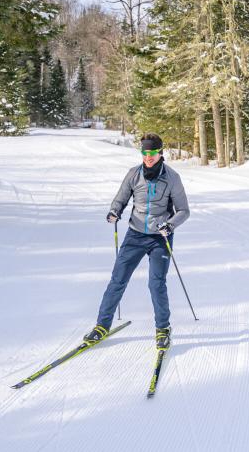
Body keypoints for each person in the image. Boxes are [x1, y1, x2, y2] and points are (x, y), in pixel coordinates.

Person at [83, 133, 190, 350]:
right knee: (117, 280)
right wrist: (114, 211)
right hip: (135, 234)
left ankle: (163, 328)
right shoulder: (134, 174)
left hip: (161, 237)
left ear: (161, 153)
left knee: (156, 283)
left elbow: (184, 211)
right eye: (144, 153)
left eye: (152, 153)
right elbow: (120, 199)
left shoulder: (172, 178)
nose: (148, 157)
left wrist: (170, 225)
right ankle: (102, 326)